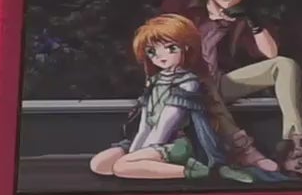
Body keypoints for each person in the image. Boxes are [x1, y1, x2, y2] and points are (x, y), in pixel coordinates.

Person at [159, 0, 302, 180]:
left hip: (218, 83)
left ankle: (296, 148)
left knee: (284, 65)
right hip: (180, 85)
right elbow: (157, 42)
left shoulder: (239, 17)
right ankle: (244, 151)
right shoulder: (182, 5)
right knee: (201, 82)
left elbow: (271, 54)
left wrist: (252, 21)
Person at [89, 15, 254, 183]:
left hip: (177, 144)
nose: (160, 56)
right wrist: (135, 151)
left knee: (121, 167)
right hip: (151, 139)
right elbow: (145, 124)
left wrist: (139, 155)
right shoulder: (155, 81)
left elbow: (166, 124)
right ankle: (144, 165)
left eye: (170, 48)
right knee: (100, 165)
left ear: (186, 47)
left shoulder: (188, 82)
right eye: (152, 51)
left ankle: (195, 171)